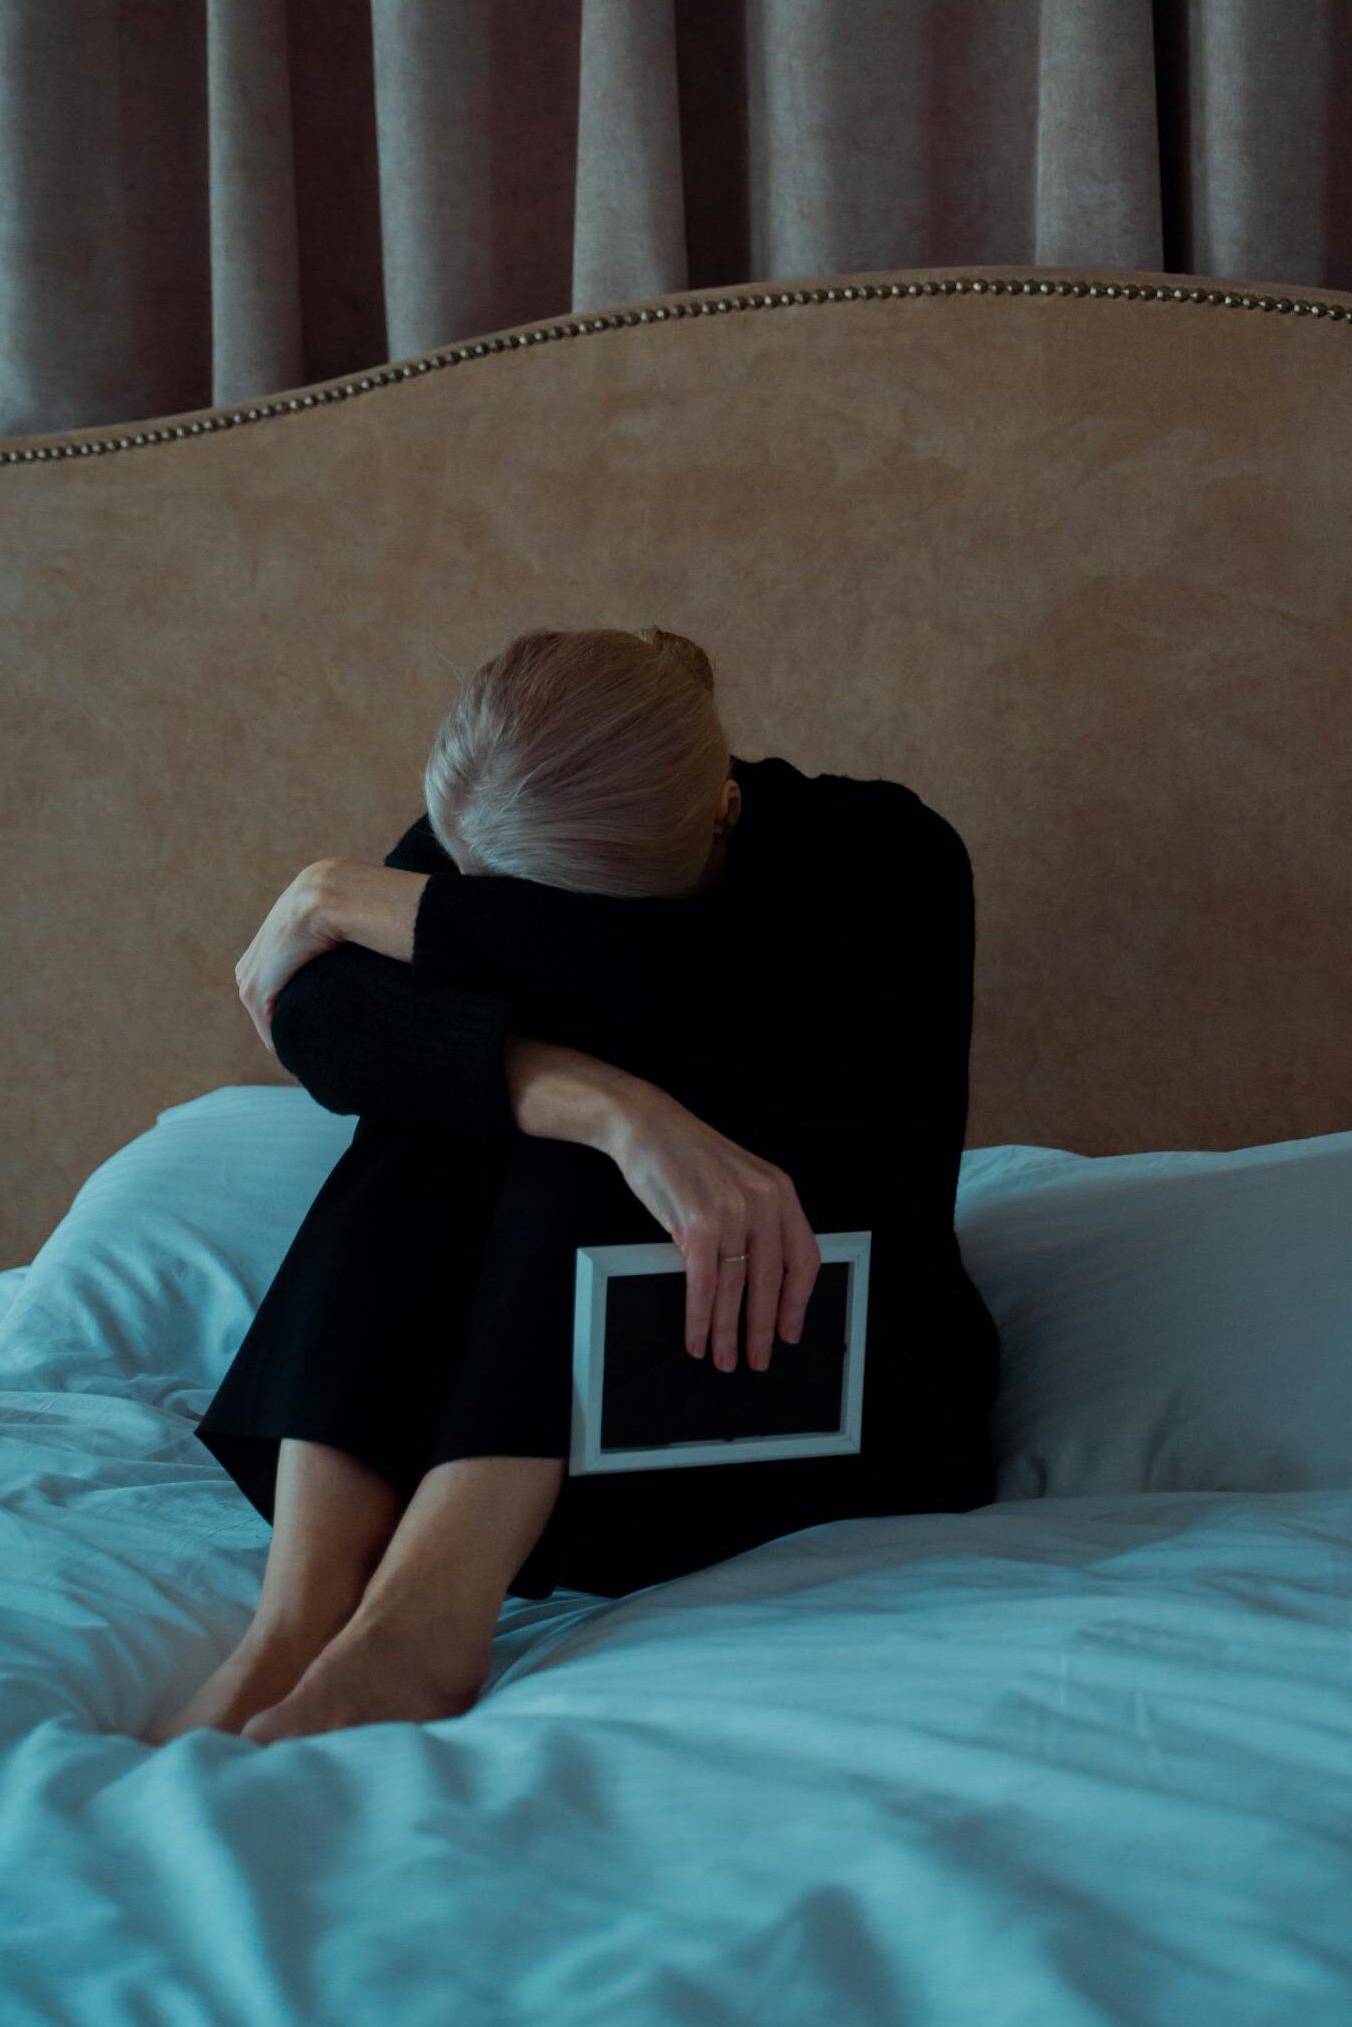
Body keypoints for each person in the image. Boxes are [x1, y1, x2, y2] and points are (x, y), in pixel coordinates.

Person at [143, 625, 999, 1747]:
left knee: (582, 1136)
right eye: (473, 892)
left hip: (795, 1383)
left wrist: (341, 895)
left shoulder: (887, 864)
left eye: (514, 914)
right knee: (442, 1119)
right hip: (518, 1420)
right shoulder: (505, 819)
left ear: (717, 814)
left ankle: (423, 1617)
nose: (475, 906)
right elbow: (325, 1023)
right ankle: (299, 1613)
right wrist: (612, 1108)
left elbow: (680, 989)